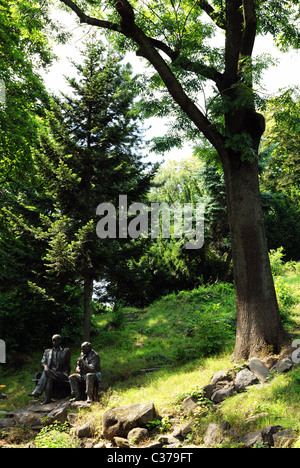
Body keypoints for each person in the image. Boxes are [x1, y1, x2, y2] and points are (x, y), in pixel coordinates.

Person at [28, 334, 71, 404]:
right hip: (50, 373)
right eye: (53, 341)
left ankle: (37, 392)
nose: (54, 343)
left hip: (61, 373)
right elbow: (43, 362)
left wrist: (68, 375)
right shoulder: (47, 351)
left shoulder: (65, 351)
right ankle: (47, 398)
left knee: (47, 373)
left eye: (55, 341)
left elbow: (68, 364)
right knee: (49, 378)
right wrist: (46, 367)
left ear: (60, 341)